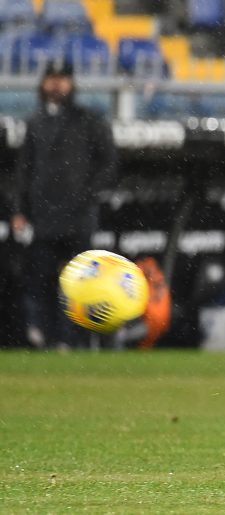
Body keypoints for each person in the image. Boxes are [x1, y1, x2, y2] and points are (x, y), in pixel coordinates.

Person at [12, 61, 116, 349]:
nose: (57, 85)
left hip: (78, 216)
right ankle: (41, 339)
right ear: (43, 82)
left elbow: (108, 163)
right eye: (52, 79)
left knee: (78, 282)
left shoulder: (89, 120)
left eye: (62, 79)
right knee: (41, 279)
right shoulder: (35, 122)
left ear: (71, 83)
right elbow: (24, 170)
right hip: (43, 216)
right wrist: (20, 210)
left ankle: (73, 340)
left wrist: (87, 195)